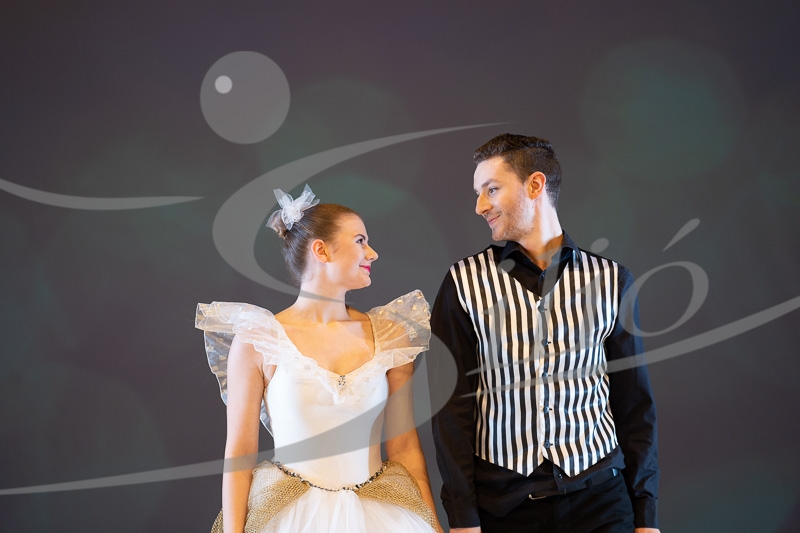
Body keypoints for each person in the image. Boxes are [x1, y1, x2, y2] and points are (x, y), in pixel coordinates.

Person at [429, 134, 660, 532]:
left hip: (602, 502)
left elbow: (634, 404)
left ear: (535, 185)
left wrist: (646, 515)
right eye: (478, 193)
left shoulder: (612, 280)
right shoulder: (462, 283)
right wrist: (463, 516)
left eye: (491, 189)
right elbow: (450, 410)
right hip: (505, 507)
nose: (480, 205)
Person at [196, 185, 442, 533]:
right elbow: (240, 454)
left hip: (381, 518)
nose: (372, 253)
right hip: (289, 519)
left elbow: (404, 447)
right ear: (321, 250)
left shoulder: (391, 336)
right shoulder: (258, 340)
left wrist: (433, 526)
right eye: (360, 241)